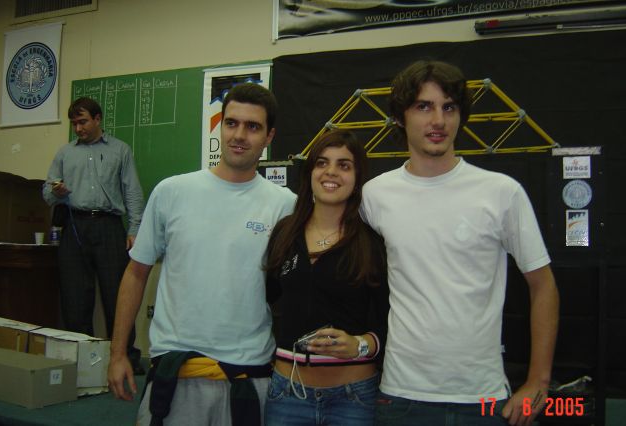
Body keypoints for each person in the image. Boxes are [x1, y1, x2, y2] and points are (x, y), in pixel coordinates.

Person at [361, 60, 560, 426]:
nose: (438, 120)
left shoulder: (501, 192)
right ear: (401, 117)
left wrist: (538, 382)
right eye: (424, 106)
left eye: (449, 107)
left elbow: (543, 284)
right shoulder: (375, 195)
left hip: (482, 399)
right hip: (402, 397)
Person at [107, 83, 296, 426]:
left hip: (249, 375)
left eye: (253, 127)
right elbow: (136, 273)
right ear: (220, 126)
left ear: (269, 136)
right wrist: (118, 353)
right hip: (176, 373)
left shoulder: (285, 205)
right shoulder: (172, 192)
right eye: (231, 123)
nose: (239, 135)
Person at [264, 129, 389, 426]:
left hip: (353, 399)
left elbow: (390, 320)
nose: (331, 172)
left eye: (344, 165)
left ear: (357, 178)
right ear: (310, 172)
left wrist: (360, 345)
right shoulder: (284, 232)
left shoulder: (371, 242)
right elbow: (270, 301)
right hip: (287, 395)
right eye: (322, 163)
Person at [43, 96, 145, 373]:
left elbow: (132, 192)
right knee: (75, 298)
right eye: (74, 123)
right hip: (74, 227)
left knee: (118, 297)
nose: (78, 128)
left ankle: (125, 358)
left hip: (109, 226)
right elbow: (46, 192)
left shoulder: (120, 150)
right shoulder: (65, 153)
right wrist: (56, 191)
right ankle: (82, 362)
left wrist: (135, 228)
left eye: (83, 122)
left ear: (98, 119)